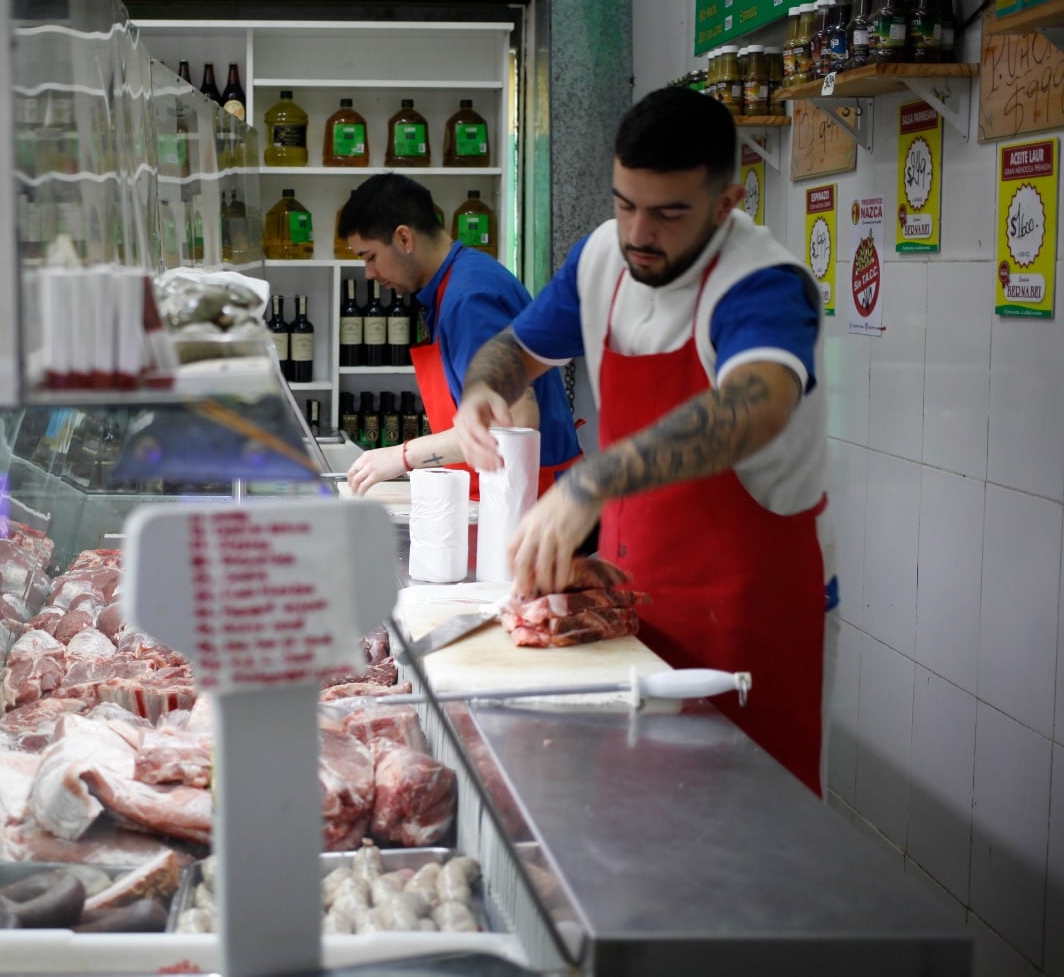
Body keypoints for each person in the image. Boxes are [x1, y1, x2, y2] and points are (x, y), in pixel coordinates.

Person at [454, 86, 828, 794]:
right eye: (625, 203)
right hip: (626, 600)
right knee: (629, 816)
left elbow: (757, 404)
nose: (638, 233)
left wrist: (591, 484)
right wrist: (483, 389)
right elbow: (517, 346)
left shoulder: (764, 284)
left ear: (726, 203)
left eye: (667, 213)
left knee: (742, 830)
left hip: (743, 615)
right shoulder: (603, 257)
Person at [337, 174, 582, 498]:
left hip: (532, 501)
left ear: (404, 239)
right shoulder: (458, 281)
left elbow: (514, 422)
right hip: (507, 491)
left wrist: (402, 456)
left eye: (370, 257)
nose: (369, 273)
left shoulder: (469, 300)